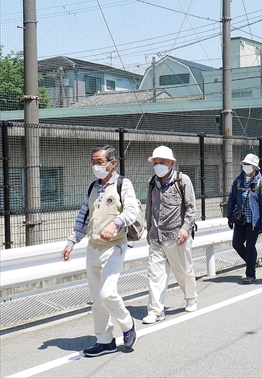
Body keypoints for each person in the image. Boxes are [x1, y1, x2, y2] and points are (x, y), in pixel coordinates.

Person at [61, 145, 138, 356]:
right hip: (93, 247)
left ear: (113, 163)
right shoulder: (93, 188)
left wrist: (115, 224)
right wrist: (71, 242)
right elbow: (83, 217)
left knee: (107, 293)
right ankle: (104, 341)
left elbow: (132, 211)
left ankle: (128, 324)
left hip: (114, 246)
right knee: (97, 298)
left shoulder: (123, 184)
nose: (96, 166)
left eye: (100, 162)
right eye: (93, 162)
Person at [143, 146, 198, 323]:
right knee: (155, 274)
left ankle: (191, 298)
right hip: (156, 236)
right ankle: (155, 311)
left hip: (177, 236)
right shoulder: (152, 182)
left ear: (171, 163)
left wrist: (185, 228)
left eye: (162, 162)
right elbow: (149, 207)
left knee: (183, 271)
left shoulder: (182, 180)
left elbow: (191, 208)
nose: (158, 165)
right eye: (155, 162)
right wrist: (149, 228)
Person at [226, 153, 262, 285]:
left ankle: (250, 274)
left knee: (250, 246)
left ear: (255, 167)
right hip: (240, 220)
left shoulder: (261, 183)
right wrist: (229, 216)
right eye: (244, 164)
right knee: (236, 244)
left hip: (254, 221)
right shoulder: (238, 181)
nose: (246, 166)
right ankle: (253, 261)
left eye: (248, 164)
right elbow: (232, 199)